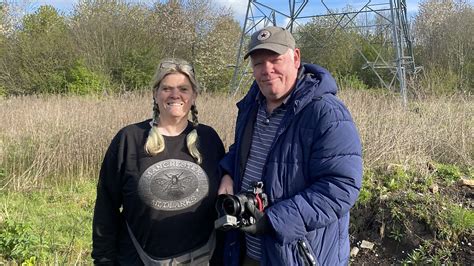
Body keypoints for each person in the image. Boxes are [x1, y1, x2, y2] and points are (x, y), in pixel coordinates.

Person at [218, 26, 363, 265]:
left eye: (275, 59)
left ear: (296, 58)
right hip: (248, 252)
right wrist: (227, 174)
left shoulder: (325, 112)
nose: (266, 70)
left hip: (297, 255)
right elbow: (241, 151)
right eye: (258, 63)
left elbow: (341, 187)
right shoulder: (251, 106)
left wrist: (273, 221)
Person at [92, 58, 225, 265]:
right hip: (138, 258)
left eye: (183, 88)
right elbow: (106, 206)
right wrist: (103, 259)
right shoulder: (129, 138)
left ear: (194, 95)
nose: (175, 95)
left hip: (203, 258)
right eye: (166, 89)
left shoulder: (209, 139)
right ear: (155, 94)